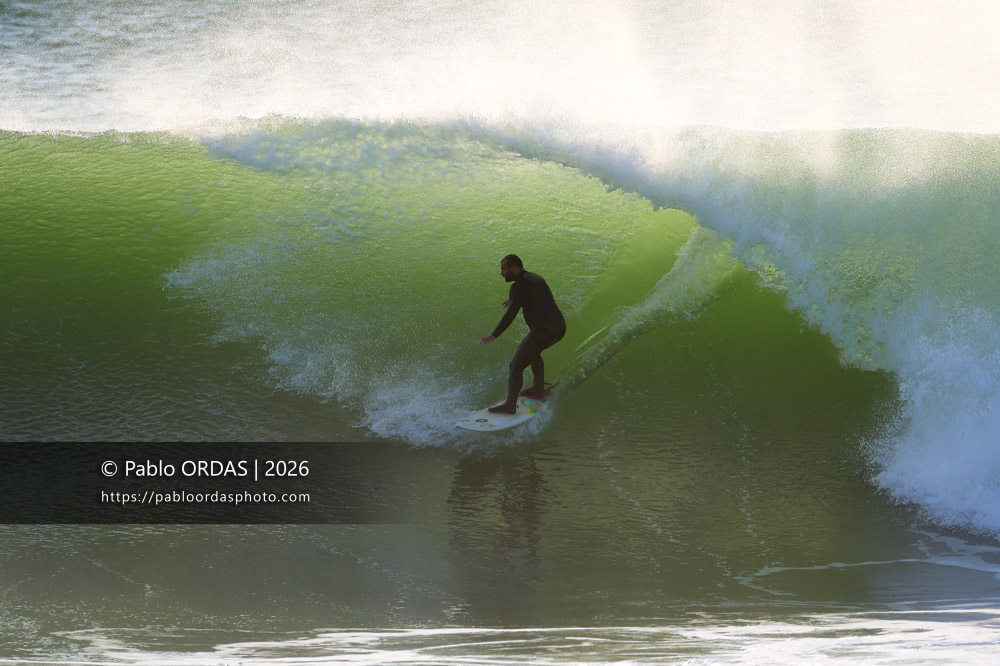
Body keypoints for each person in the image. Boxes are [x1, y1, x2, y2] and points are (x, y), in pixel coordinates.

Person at [480, 254, 566, 414]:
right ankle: (538, 389)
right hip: (559, 328)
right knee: (534, 352)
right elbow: (533, 295)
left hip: (543, 331)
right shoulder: (534, 278)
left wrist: (494, 335)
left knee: (516, 365)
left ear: (514, 268)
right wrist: (513, 299)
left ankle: (510, 405)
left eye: (503, 269)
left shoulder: (518, 287)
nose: (501, 273)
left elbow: (510, 314)